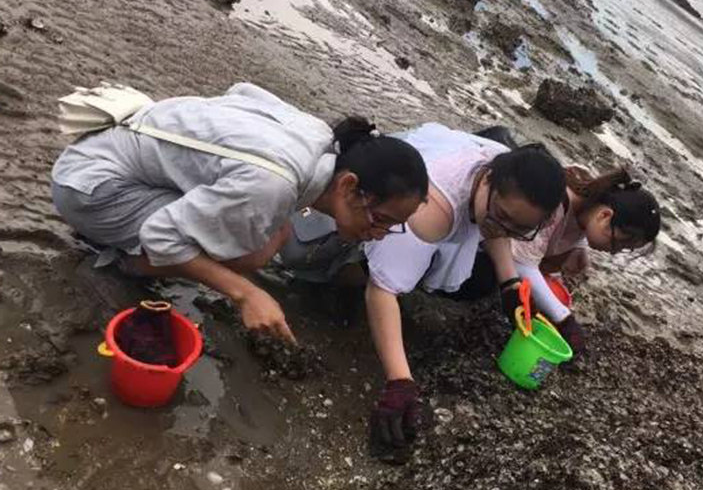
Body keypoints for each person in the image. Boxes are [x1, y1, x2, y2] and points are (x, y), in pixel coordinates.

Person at [51, 83, 428, 342]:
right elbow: (161, 235)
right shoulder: (274, 184)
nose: (378, 235)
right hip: (90, 186)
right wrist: (246, 294)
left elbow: (243, 91)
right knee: (253, 251)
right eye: (381, 221)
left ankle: (131, 245)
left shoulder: (317, 137)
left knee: (272, 230)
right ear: (348, 186)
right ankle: (128, 264)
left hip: (116, 147)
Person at [362, 123, 566, 460]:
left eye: (521, 228)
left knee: (483, 280)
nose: (507, 229)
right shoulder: (430, 213)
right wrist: (400, 382)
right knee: (381, 274)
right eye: (502, 215)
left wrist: (510, 285)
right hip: (386, 195)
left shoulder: (506, 166)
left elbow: (500, 227)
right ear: (487, 180)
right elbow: (380, 291)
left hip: (448, 171)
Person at [512, 166, 661, 353]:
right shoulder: (556, 203)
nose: (614, 252)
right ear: (605, 215)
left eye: (624, 249)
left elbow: (580, 226)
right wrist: (564, 318)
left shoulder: (591, 204)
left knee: (564, 266)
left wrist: (578, 248)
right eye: (617, 243)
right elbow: (520, 263)